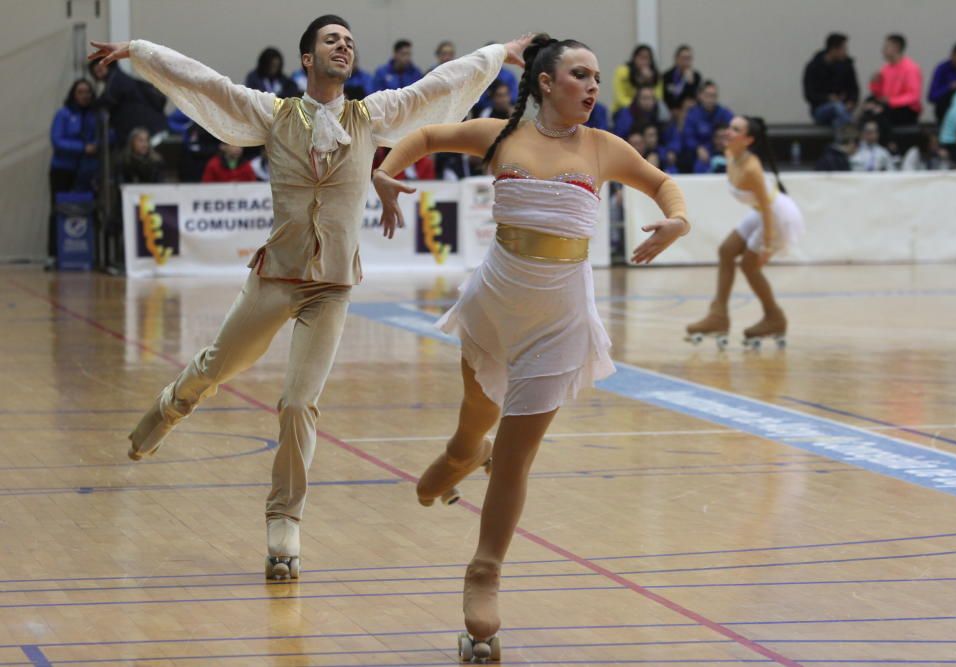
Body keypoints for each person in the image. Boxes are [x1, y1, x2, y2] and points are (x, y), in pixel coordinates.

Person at [89, 16, 530, 580]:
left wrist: (497, 52)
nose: (343, 45)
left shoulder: (370, 115)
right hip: (275, 277)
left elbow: (438, 86)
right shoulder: (273, 115)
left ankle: (284, 522)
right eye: (331, 40)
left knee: (299, 403)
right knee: (214, 367)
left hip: (333, 287)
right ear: (307, 58)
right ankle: (175, 402)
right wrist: (141, 51)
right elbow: (206, 83)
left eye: (348, 41)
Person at [371, 34, 688, 660]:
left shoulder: (604, 148)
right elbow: (431, 136)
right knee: (476, 422)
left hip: (559, 323)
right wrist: (384, 172)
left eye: (598, 76)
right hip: (494, 306)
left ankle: (485, 570)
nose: (593, 86)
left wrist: (678, 220)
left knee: (515, 459)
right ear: (546, 81)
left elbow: (663, 183)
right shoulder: (502, 134)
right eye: (580, 74)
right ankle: (464, 453)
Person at [685, 116, 803, 350]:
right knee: (726, 250)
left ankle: (774, 318)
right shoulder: (730, 155)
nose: (728, 132)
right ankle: (718, 316)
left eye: (736, 129)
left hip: (778, 217)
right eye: (729, 126)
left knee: (749, 265)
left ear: (748, 140)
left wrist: (768, 246)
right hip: (763, 211)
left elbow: (768, 210)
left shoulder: (752, 168)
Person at [48, 79, 100, 268]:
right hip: (63, 169)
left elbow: (103, 137)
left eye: (87, 92)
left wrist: (95, 147)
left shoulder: (96, 115)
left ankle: (87, 253)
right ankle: (54, 254)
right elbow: (57, 141)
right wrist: (82, 148)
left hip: (87, 170)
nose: (84, 95)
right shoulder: (63, 114)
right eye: (80, 91)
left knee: (88, 210)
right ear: (73, 94)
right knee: (57, 210)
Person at [88, 58, 168, 147]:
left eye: (100, 69)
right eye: (96, 72)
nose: (98, 74)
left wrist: (92, 104)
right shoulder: (119, 78)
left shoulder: (116, 79)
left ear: (108, 66)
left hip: (146, 131)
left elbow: (108, 100)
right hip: (153, 127)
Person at [864, 34, 922, 132]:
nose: (883, 50)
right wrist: (874, 83)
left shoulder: (911, 68)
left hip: (906, 109)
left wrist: (891, 101)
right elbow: (880, 94)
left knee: (879, 114)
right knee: (868, 107)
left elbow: (913, 96)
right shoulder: (886, 68)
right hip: (889, 105)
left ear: (896, 47)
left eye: (886, 47)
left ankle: (889, 142)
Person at [802, 33, 859, 130]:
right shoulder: (814, 67)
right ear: (833, 49)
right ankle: (851, 132)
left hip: (843, 108)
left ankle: (841, 142)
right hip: (820, 109)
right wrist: (828, 98)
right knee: (836, 107)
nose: (845, 52)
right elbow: (809, 94)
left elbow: (854, 89)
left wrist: (851, 101)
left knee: (838, 120)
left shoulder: (846, 66)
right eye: (843, 49)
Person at [681, 80, 733, 172]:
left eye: (713, 96)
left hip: (723, 151)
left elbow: (734, 131)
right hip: (700, 154)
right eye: (707, 95)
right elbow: (688, 136)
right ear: (700, 96)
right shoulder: (693, 114)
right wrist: (697, 148)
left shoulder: (724, 113)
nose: (710, 99)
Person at [612, 44, 662, 114]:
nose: (644, 62)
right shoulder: (622, 71)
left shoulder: (654, 74)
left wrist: (649, 81)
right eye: (641, 58)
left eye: (647, 58)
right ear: (634, 58)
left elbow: (658, 96)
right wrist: (636, 106)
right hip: (625, 108)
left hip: (648, 108)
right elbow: (619, 97)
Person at [662, 44, 702, 111]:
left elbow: (693, 98)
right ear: (676, 59)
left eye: (689, 58)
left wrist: (690, 84)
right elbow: (666, 97)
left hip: (688, 110)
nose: (686, 62)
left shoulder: (696, 76)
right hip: (670, 110)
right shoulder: (667, 76)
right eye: (684, 58)